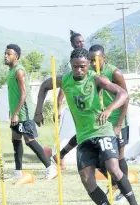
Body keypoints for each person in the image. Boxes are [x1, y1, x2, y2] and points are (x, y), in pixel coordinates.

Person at [35, 48, 140, 205]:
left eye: (83, 67)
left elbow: (123, 94)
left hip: (103, 131)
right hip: (84, 136)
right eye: (75, 67)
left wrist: (109, 110)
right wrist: (38, 110)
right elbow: (44, 86)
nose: (79, 70)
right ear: (70, 66)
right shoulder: (65, 80)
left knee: (113, 167)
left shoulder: (96, 78)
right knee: (87, 179)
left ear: (89, 65)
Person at [4, 44, 57, 181]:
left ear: (16, 56)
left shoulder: (19, 71)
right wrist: (12, 112)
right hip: (16, 112)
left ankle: (50, 167)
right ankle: (17, 172)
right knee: (15, 139)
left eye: (8, 54)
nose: (5, 56)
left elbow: (23, 93)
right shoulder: (10, 71)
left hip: (24, 113)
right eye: (5, 53)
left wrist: (16, 113)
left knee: (29, 140)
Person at [89, 44, 130, 202]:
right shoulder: (91, 74)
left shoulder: (114, 72)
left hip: (117, 119)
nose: (93, 63)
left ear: (103, 58)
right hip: (102, 121)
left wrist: (119, 123)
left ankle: (123, 190)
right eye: (91, 60)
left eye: (96, 60)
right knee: (104, 157)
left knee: (119, 156)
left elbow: (125, 97)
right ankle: (114, 185)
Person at [54, 30, 86, 170]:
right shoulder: (72, 64)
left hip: (90, 101)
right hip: (77, 103)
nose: (81, 43)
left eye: (82, 41)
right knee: (83, 132)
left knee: (85, 132)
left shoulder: (88, 57)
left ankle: (61, 155)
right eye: (78, 42)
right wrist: (58, 108)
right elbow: (63, 88)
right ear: (73, 44)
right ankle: (61, 155)